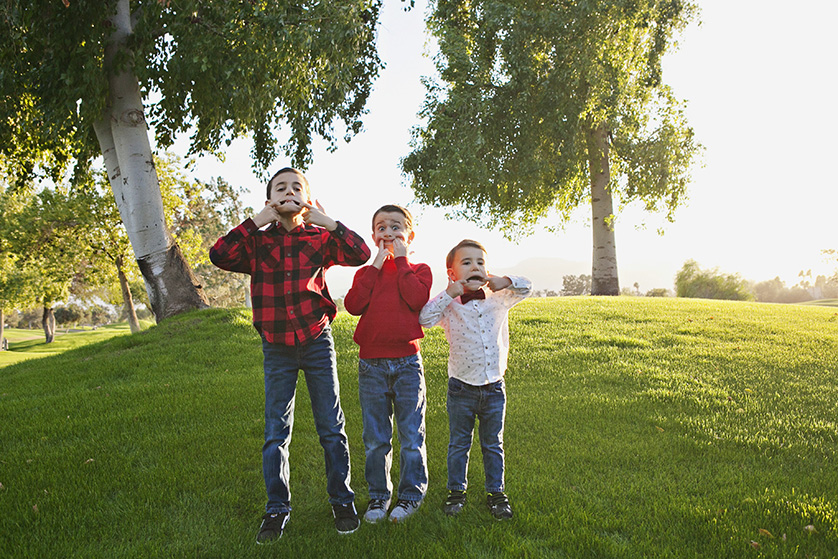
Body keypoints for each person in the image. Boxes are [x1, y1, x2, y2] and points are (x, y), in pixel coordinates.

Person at [209, 167, 371, 543]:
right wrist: (255, 221)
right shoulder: (256, 242)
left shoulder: (319, 237)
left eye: (297, 187)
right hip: (277, 346)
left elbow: (360, 253)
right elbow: (219, 255)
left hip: (316, 340)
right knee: (275, 432)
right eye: (280, 187)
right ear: (270, 200)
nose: (289, 191)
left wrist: (327, 221)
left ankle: (341, 500)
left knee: (331, 427)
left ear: (307, 199)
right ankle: (277, 508)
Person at [418, 239, 532, 520]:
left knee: (493, 443)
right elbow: (424, 318)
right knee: (459, 443)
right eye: (466, 262)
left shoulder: (499, 298)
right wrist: (448, 293)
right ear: (452, 272)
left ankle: (496, 493)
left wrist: (503, 280)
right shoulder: (450, 306)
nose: (475, 267)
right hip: (461, 388)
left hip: (494, 386)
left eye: (480, 262)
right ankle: (456, 491)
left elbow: (527, 286)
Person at [344, 205, 433, 523]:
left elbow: (416, 299)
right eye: (381, 228)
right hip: (371, 365)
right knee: (376, 438)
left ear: (409, 236)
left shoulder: (419, 269)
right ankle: (379, 498)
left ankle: (410, 496)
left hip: (407, 364)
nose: (388, 233)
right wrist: (376, 265)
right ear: (373, 237)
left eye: (396, 227)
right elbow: (354, 305)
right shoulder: (365, 273)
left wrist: (402, 260)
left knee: (411, 435)